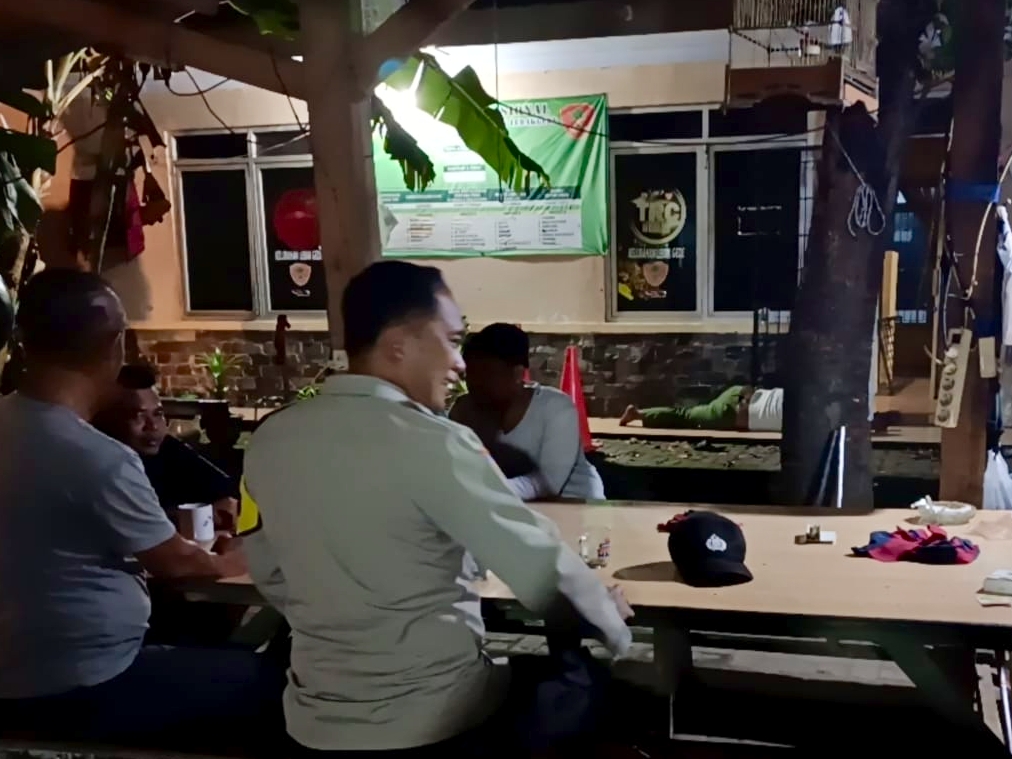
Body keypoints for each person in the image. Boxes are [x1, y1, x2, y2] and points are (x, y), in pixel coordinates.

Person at [242, 261, 633, 757]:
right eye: (450, 340)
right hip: (433, 715)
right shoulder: (437, 441)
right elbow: (537, 566)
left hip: (315, 719)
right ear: (398, 345)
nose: (460, 363)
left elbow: (267, 569)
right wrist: (609, 620)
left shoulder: (268, 440)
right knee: (589, 690)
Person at [0, 268, 282, 750]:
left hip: (21, 674)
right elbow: (180, 564)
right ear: (114, 345)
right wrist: (233, 558)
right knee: (287, 687)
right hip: (84, 682)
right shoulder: (96, 456)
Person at [450, 323, 605, 501]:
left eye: (487, 373)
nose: (476, 382)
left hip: (575, 506)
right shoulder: (464, 411)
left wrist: (479, 491)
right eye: (470, 373)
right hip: (501, 508)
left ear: (517, 374)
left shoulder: (556, 409)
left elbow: (547, 484)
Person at [93, 363, 242, 531]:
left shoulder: (168, 448)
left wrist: (224, 503)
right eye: (138, 416)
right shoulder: (99, 465)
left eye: (158, 414)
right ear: (108, 419)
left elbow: (226, 490)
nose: (153, 426)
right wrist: (178, 517)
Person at [619, 385, 781, 432]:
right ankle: (638, 414)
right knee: (684, 416)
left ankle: (639, 414)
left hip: (742, 393)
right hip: (731, 412)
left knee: (686, 414)